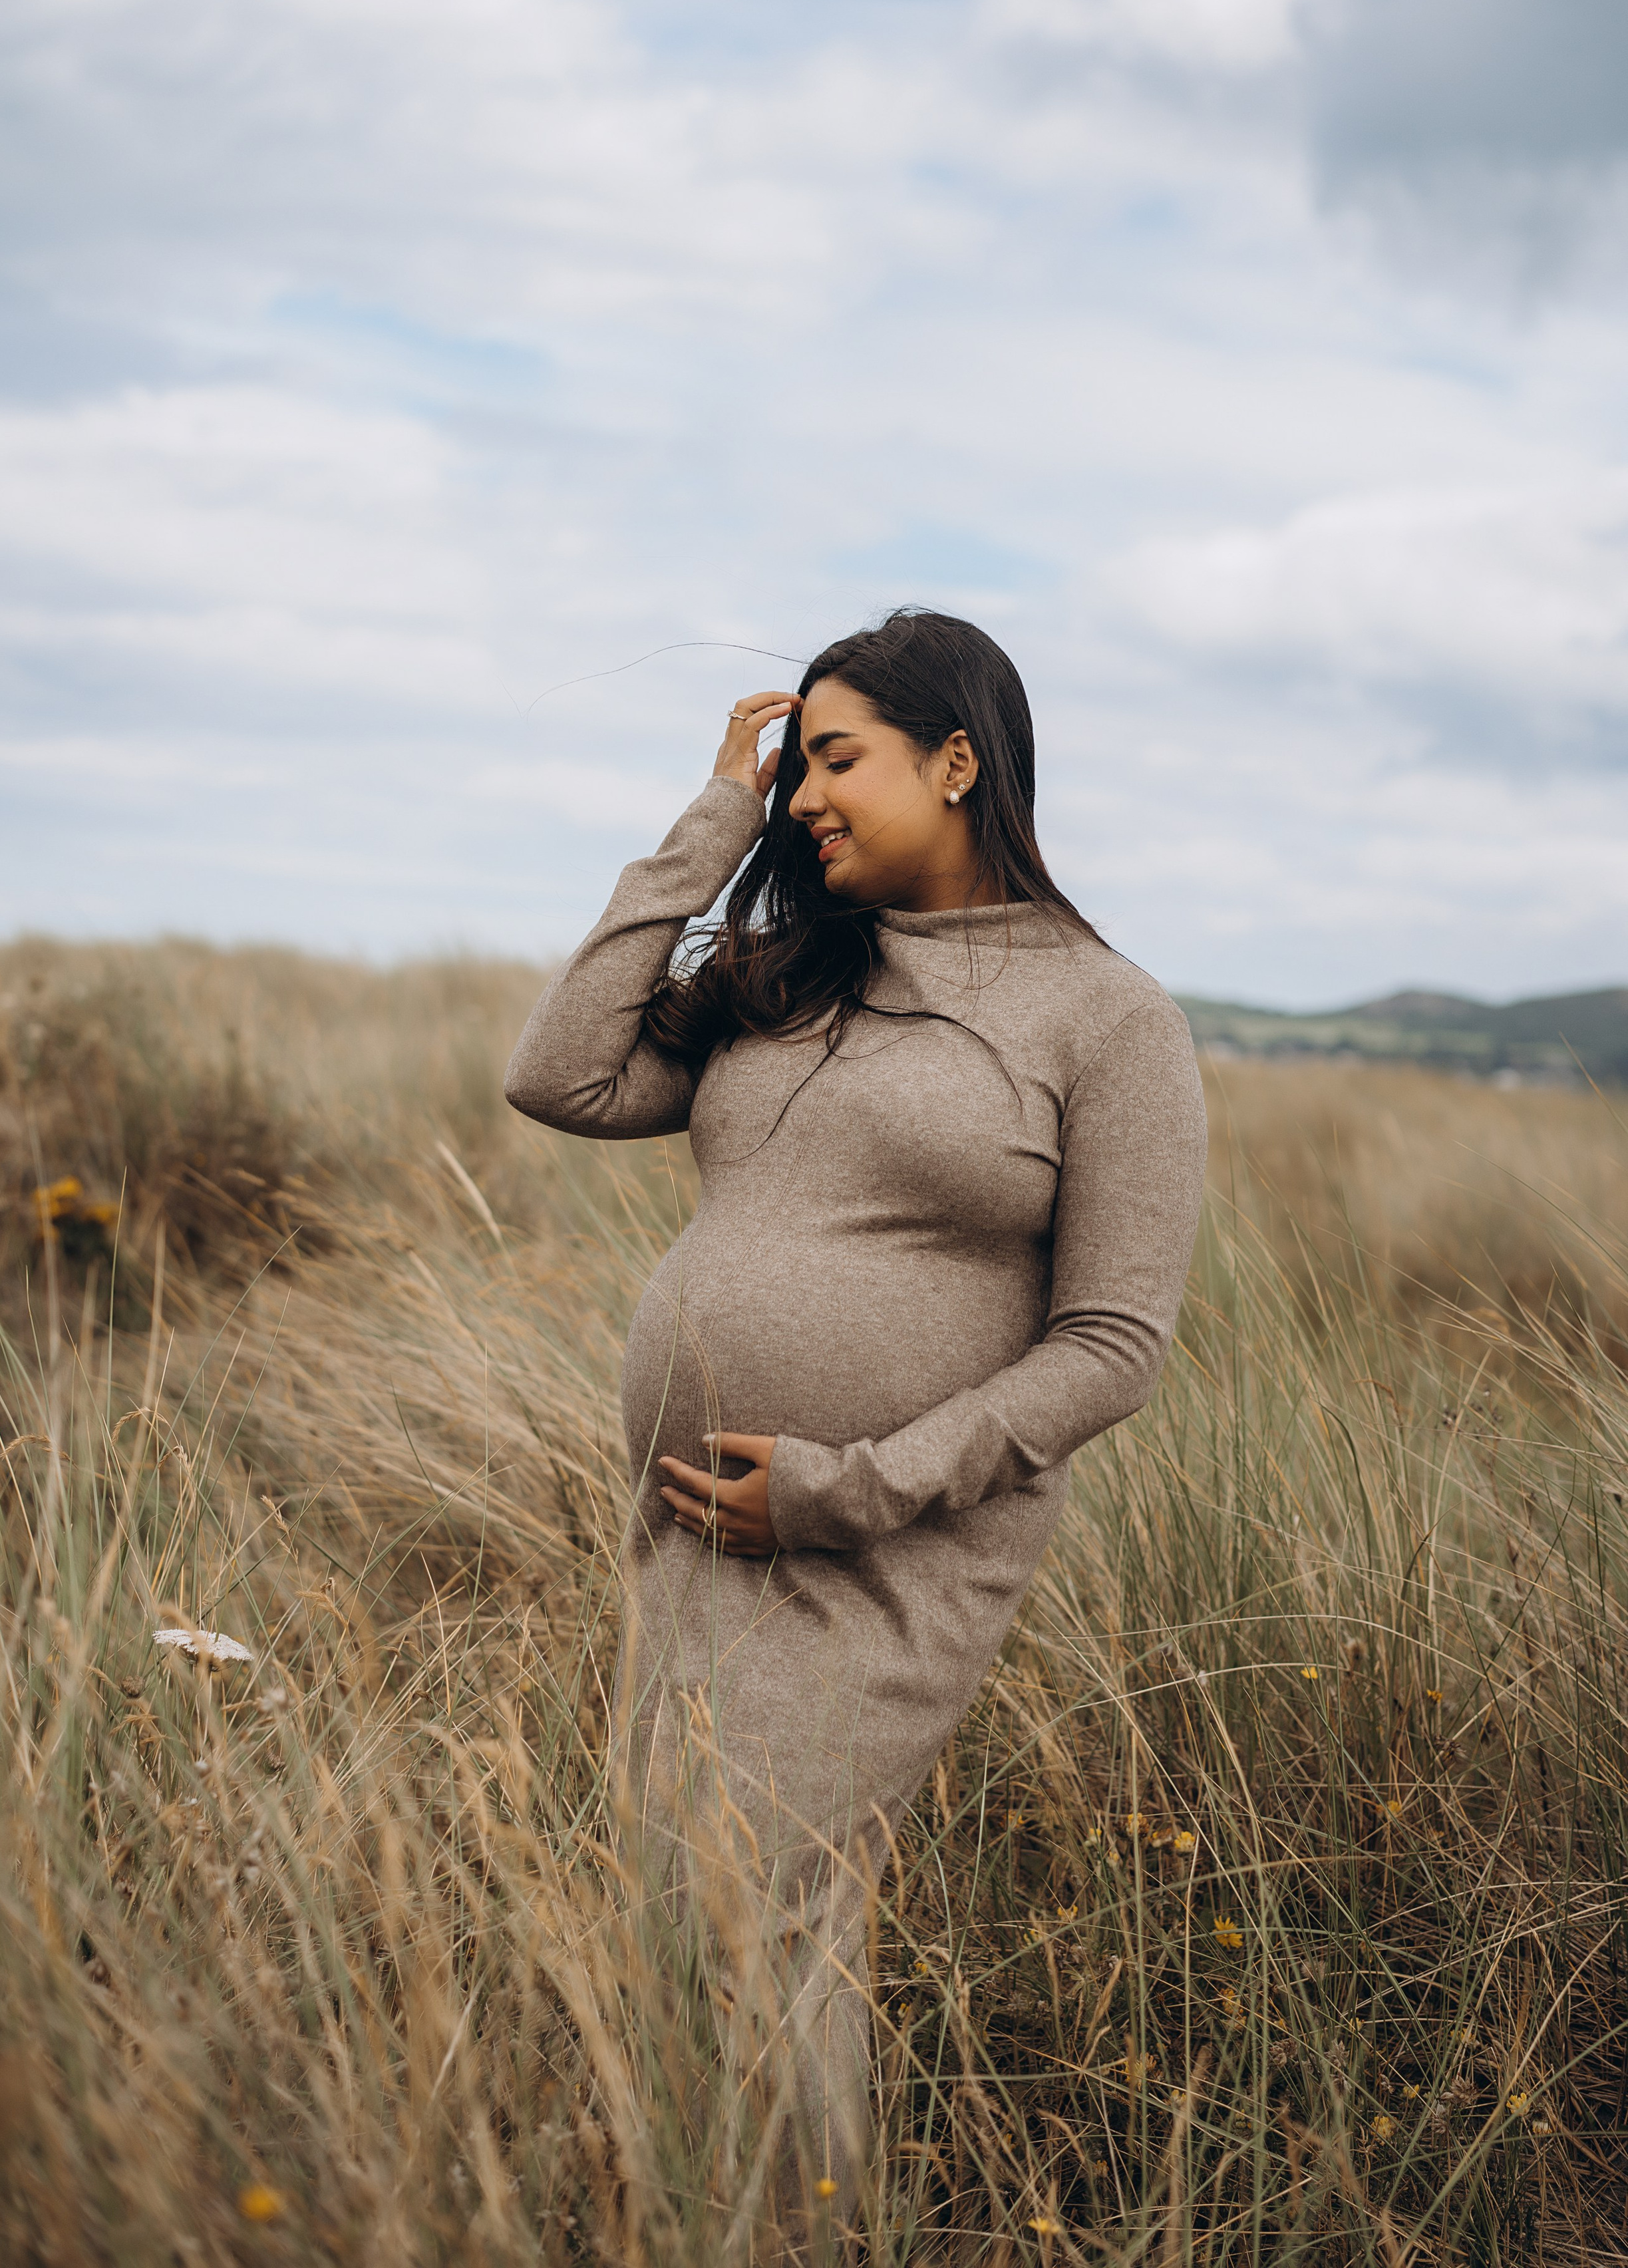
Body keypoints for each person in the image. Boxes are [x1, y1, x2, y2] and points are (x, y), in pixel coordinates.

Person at [503, 607, 1207, 2240]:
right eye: (792, 766)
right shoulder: (785, 979)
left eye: (836, 760)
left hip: (887, 1545)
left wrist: (849, 1486)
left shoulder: (1106, 1019)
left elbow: (1109, 1345)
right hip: (693, 1532)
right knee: (699, 1916)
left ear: (956, 761)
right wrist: (710, 827)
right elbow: (560, 1078)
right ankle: (708, 2221)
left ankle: (785, 2233)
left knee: (745, 1905)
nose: (803, 795)